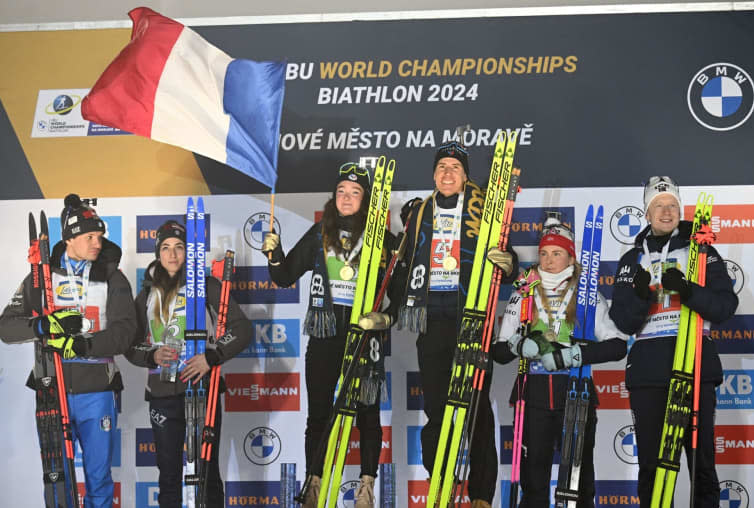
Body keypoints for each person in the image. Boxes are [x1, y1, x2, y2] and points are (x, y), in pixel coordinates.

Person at [262, 162, 398, 508]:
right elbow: (284, 277)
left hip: (364, 336)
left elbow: (403, 291)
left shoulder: (382, 238)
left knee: (367, 412)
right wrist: (273, 255)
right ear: (333, 196)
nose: (347, 197)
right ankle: (314, 484)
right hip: (326, 334)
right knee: (319, 413)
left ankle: (366, 487)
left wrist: (385, 318)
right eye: (341, 191)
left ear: (365, 199)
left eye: (355, 193)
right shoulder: (321, 231)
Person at [396, 141, 519, 508]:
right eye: (442, 167)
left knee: (476, 410)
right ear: (434, 174)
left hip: (470, 317)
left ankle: (480, 496)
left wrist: (508, 262)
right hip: (431, 318)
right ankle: (442, 488)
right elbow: (403, 264)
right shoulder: (418, 212)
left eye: (455, 168)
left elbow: (506, 255)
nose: (447, 173)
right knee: (437, 410)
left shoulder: (483, 210)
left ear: (466, 177)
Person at [0, 193, 136, 508]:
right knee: (57, 477)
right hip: (51, 387)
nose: (97, 243)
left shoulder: (112, 277)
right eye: (90, 237)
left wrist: (83, 344)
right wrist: (42, 327)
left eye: (100, 236)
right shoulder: (40, 276)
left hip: (97, 391)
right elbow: (6, 327)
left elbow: (124, 332)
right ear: (70, 238)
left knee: (99, 477)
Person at [608, 176, 738, 508]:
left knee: (702, 466)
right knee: (652, 469)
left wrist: (688, 290)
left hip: (694, 366)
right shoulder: (631, 260)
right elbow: (622, 322)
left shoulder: (702, 250)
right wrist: (639, 297)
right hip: (649, 374)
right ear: (647, 212)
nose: (666, 212)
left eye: (672, 206)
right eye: (659, 206)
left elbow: (725, 307)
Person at [492, 214, 628, 508]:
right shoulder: (523, 292)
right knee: (533, 483)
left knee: (579, 484)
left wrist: (574, 355)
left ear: (570, 257)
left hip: (575, 393)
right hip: (533, 396)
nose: (549, 259)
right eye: (543, 253)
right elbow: (498, 351)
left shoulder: (586, 294)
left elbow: (618, 346)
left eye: (557, 253)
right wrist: (518, 346)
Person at [126, 220, 252, 508]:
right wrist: (151, 355)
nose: (172, 255)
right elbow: (128, 344)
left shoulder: (206, 285)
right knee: (169, 476)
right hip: (162, 393)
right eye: (166, 248)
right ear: (158, 253)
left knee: (207, 474)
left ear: (189, 252)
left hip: (202, 390)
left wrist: (211, 357)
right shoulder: (146, 295)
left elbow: (242, 329)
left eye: (179, 247)